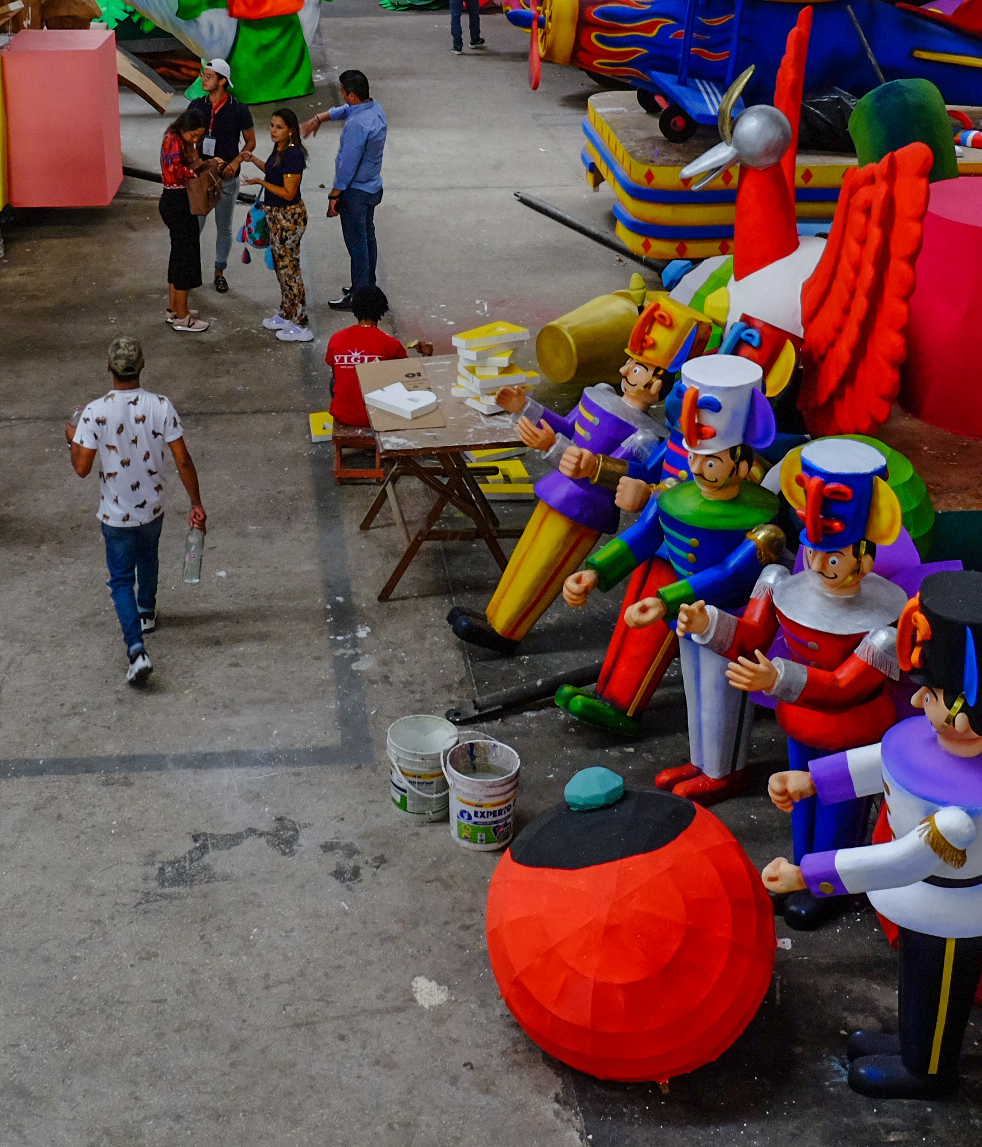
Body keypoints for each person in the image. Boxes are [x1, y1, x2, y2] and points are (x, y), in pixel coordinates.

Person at [763, 571, 982, 1099]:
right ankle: (911, 1046)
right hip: (922, 904)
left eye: (930, 695)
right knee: (918, 979)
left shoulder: (966, 809)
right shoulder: (923, 744)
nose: (916, 704)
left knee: (940, 989)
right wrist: (812, 780)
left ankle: (928, 1070)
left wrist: (809, 873)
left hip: (956, 907)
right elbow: (883, 761)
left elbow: (903, 860)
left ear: (961, 711)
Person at [701, 436, 907, 929]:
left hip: (852, 734)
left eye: (833, 558)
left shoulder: (882, 628)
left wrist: (777, 677)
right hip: (799, 723)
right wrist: (706, 622)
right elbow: (752, 635)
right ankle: (800, 871)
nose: (816, 566)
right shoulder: (782, 584)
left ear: (865, 559)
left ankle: (829, 885)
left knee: (837, 808)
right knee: (798, 804)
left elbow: (843, 686)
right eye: (814, 551)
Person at [561, 354, 785, 805]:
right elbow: (642, 537)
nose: (700, 471)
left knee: (723, 694)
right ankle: (702, 763)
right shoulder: (676, 496)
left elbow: (729, 574)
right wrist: (594, 570)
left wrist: (666, 600)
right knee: (696, 691)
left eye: (714, 462)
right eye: (698, 459)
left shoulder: (763, 520)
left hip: (730, 621)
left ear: (742, 466)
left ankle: (726, 770)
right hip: (684, 612)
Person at [452, 298, 706, 660]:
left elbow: (607, 473)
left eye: (636, 367)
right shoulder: (599, 395)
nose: (624, 368)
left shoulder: (647, 436)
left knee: (545, 568)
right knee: (525, 555)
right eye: (630, 362)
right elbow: (567, 427)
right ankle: (494, 615)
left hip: (584, 509)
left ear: (655, 384)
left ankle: (508, 630)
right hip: (558, 490)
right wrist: (525, 407)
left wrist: (554, 449)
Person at [67, 336, 204, 689]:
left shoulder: (94, 412)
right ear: (142, 366)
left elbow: (81, 469)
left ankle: (136, 649)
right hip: (153, 508)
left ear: (109, 368)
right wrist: (196, 503)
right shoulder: (160, 405)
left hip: (116, 516)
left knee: (120, 579)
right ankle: (147, 612)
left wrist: (74, 439)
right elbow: (183, 459)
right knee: (149, 558)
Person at [301, 69, 386, 312]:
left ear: (350, 95)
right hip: (372, 188)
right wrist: (320, 117)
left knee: (357, 245)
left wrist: (334, 195)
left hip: (356, 193)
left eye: (342, 92)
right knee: (368, 238)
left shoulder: (357, 126)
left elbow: (348, 166)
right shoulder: (374, 108)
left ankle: (359, 295)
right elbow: (346, 110)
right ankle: (367, 285)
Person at [323, 285, 431, 429]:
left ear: (354, 308)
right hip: (379, 417)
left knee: (335, 378)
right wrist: (427, 355)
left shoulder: (337, 339)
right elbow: (411, 379)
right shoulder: (390, 344)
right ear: (382, 310)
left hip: (344, 416)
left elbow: (335, 369)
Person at [191, 60, 256, 296]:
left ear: (222, 81)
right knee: (195, 225)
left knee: (224, 226)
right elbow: (186, 138)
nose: (202, 79)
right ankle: (190, 271)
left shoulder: (239, 109)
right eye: (203, 75)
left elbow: (251, 141)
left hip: (227, 178)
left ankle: (219, 272)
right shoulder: (196, 106)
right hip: (201, 177)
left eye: (208, 76)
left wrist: (235, 163)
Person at [249, 107, 313, 342]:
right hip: (276, 217)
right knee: (280, 266)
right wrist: (254, 160)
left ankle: (300, 323)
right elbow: (274, 172)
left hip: (288, 218)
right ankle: (287, 312)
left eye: (279, 127)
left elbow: (288, 192)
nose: (273, 131)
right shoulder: (281, 149)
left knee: (290, 270)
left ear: (290, 131)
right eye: (272, 125)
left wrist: (259, 182)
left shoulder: (294, 156)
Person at [158, 110, 216, 332]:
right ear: (184, 129)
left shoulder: (175, 137)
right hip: (178, 204)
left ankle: (174, 309)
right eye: (193, 136)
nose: (195, 140)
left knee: (178, 256)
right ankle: (183, 318)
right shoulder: (174, 141)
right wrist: (194, 172)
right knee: (185, 260)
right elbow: (174, 171)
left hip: (175, 203)